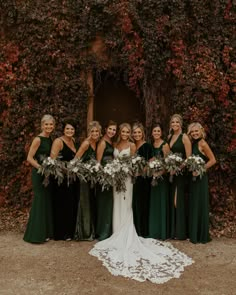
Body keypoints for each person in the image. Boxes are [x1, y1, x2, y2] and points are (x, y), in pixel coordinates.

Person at [89, 123, 193, 284]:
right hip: (116, 178)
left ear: (130, 133)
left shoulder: (132, 145)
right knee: (116, 204)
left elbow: (135, 163)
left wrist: (130, 170)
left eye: (127, 131)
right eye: (122, 131)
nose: (125, 133)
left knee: (126, 204)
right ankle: (115, 231)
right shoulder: (115, 144)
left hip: (128, 179)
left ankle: (126, 232)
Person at [23, 114, 55, 243]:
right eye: (46, 124)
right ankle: (35, 235)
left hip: (47, 174)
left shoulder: (50, 139)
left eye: (51, 124)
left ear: (53, 126)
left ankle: (45, 232)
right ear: (42, 125)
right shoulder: (38, 139)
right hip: (38, 173)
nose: (48, 126)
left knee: (46, 200)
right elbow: (29, 158)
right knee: (39, 200)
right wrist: (41, 168)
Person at [187, 122, 216, 243]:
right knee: (194, 204)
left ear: (201, 131)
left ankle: (202, 235)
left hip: (201, 178)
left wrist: (200, 170)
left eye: (196, 131)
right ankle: (194, 234)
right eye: (192, 131)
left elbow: (213, 160)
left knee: (200, 204)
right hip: (193, 179)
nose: (194, 133)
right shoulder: (193, 143)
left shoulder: (203, 143)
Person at [50, 119, 79, 241]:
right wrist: (65, 169)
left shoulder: (73, 141)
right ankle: (61, 233)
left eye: (72, 129)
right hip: (60, 179)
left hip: (72, 178)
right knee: (61, 205)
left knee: (71, 204)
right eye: (67, 128)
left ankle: (70, 232)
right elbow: (52, 160)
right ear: (63, 129)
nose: (70, 131)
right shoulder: (58, 141)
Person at [74, 121, 101, 241]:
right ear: (89, 132)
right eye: (92, 131)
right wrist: (85, 169)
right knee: (85, 202)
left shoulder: (97, 143)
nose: (94, 133)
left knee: (91, 201)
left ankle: (92, 230)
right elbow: (75, 160)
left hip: (92, 177)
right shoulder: (86, 144)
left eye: (97, 131)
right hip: (84, 177)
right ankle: (85, 232)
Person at [167, 114, 192, 240]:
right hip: (171, 174)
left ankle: (181, 231)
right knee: (172, 200)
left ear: (181, 124)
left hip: (181, 174)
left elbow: (189, 158)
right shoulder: (170, 137)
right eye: (173, 122)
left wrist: (178, 168)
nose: (175, 124)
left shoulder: (184, 137)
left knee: (178, 200)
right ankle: (174, 231)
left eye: (177, 122)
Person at [95, 120, 117, 240]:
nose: (112, 131)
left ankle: (107, 230)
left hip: (111, 175)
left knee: (108, 203)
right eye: (110, 129)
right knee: (103, 203)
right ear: (105, 129)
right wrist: (104, 175)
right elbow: (98, 162)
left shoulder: (111, 142)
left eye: (114, 130)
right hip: (104, 177)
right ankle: (102, 232)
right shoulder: (102, 143)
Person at [149, 123, 170, 240]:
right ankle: (154, 231)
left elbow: (168, 163)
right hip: (153, 177)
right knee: (154, 203)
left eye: (158, 131)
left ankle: (162, 232)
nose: (156, 133)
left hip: (162, 178)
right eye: (154, 131)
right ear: (152, 133)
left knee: (161, 202)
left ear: (161, 133)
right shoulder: (151, 145)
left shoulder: (164, 145)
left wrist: (159, 173)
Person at [132, 122, 152, 237]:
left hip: (144, 180)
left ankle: (143, 231)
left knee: (143, 204)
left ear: (143, 134)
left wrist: (140, 172)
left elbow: (150, 162)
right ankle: (136, 229)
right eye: (135, 132)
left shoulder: (147, 146)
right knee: (135, 204)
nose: (137, 134)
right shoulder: (132, 146)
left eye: (139, 132)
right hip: (134, 180)